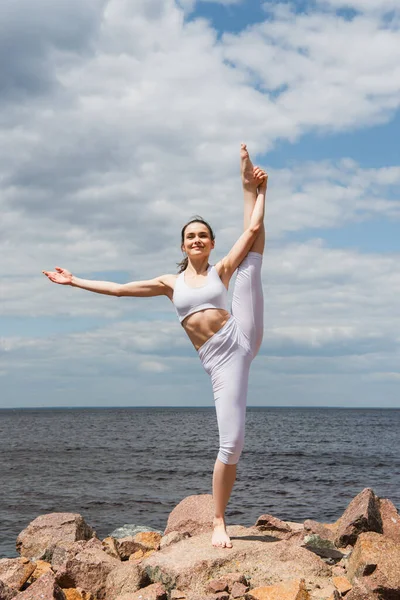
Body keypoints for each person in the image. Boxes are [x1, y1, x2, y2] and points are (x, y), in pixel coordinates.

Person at [43, 144, 267, 549]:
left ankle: (246, 183)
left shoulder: (220, 269)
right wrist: (74, 280)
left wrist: (257, 190)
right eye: (190, 237)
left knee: (251, 258)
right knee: (231, 442)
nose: (196, 240)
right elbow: (118, 290)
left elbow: (250, 232)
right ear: (183, 246)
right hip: (220, 361)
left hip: (241, 334)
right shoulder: (170, 283)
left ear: (211, 243)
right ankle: (219, 518)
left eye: (202, 235)